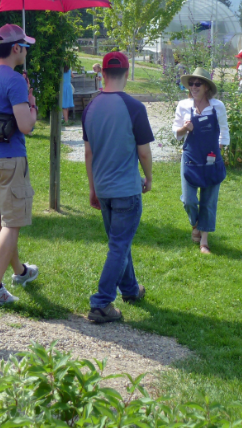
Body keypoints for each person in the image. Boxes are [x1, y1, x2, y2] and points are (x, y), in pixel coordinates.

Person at [82, 52, 153, 323]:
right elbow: (144, 153)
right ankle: (101, 304)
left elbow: (88, 154)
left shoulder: (90, 107)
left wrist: (92, 188)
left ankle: (131, 290)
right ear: (125, 73)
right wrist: (148, 178)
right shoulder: (134, 107)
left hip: (102, 187)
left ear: (103, 74)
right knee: (119, 245)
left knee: (120, 242)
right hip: (126, 188)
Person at [0, 24, 39, 308]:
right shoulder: (15, 81)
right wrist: (32, 105)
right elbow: (26, 126)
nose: (26, 51)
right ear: (16, 48)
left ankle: (20, 272)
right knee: (13, 224)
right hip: (11, 158)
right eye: (25, 46)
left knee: (3, 223)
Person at [173, 68, 229, 254]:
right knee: (189, 200)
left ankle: (204, 242)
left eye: (198, 84)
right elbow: (176, 134)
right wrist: (184, 128)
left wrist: (218, 151)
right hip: (190, 158)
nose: (194, 87)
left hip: (211, 158)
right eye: (191, 84)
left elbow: (224, 130)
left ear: (206, 87)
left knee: (209, 200)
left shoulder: (217, 106)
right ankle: (195, 222)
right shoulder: (183, 105)